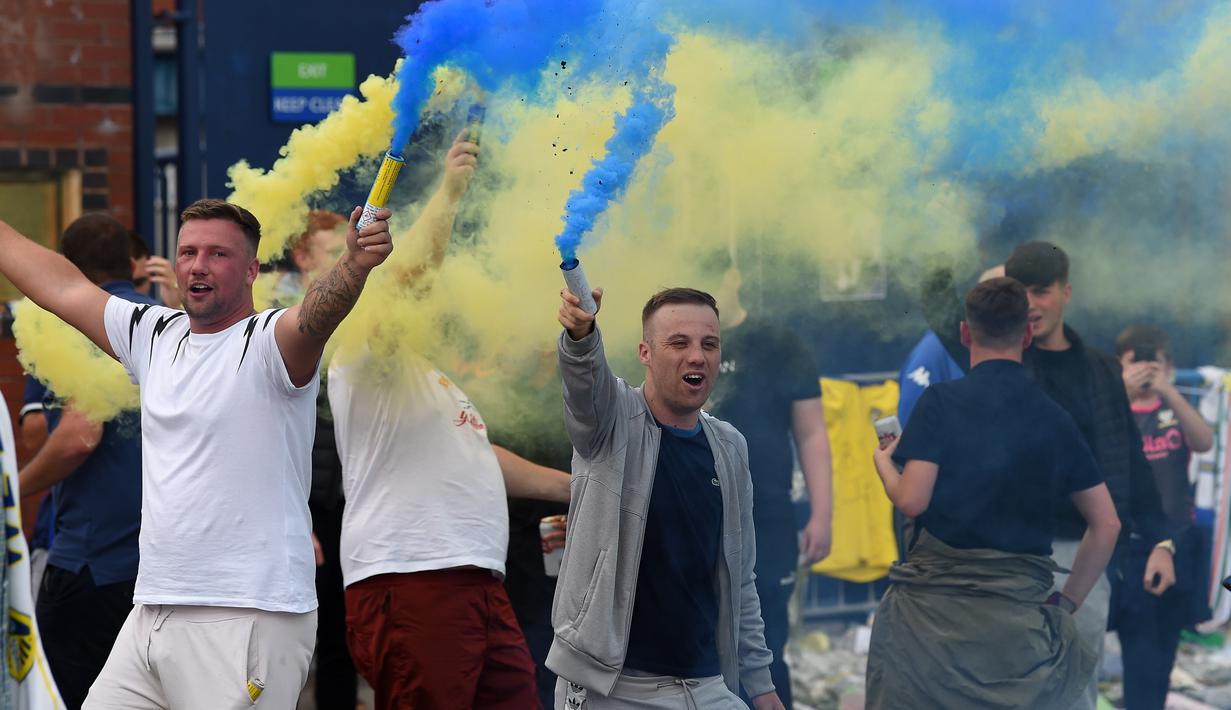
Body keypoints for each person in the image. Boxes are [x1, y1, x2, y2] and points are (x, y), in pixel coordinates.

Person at [0, 194, 393, 708]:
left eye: (218, 254)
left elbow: (317, 316)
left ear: (252, 269)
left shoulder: (269, 341)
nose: (197, 266)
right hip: (151, 612)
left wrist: (356, 264)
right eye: (188, 252)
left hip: (251, 615)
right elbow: (62, 286)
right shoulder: (154, 334)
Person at [329, 129, 571, 709]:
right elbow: (410, 280)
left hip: (476, 584)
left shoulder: (437, 382)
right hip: (413, 578)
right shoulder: (366, 355)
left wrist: (578, 486)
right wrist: (451, 192)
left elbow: (479, 458)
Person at [923, 242, 1172, 709]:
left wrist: (1161, 540)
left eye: (1042, 292)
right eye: (1021, 293)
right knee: (1000, 688)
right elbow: (935, 305)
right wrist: (950, 236)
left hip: (1087, 552)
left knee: (1076, 687)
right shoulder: (1001, 358)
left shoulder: (1100, 368)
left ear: (1066, 292)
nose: (1032, 304)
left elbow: (1130, 456)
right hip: (1006, 556)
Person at [867, 277, 1120, 709]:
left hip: (932, 630)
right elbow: (1107, 522)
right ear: (1026, 333)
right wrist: (1068, 600)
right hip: (1018, 631)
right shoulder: (1052, 417)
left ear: (966, 332)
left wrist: (884, 465)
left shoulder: (940, 403)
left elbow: (912, 500)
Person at [550, 285, 784, 709]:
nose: (697, 356)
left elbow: (741, 576)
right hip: (613, 688)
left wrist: (761, 683)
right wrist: (582, 335)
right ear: (645, 353)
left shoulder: (729, 446)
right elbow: (584, 384)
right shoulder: (612, 421)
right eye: (678, 343)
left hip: (708, 686)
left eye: (708, 344)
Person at [14, 214, 157, 709]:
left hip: (96, 566)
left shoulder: (87, 327)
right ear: (129, 261)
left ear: (70, 270)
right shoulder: (166, 324)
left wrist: (15, 487)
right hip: (163, 569)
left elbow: (77, 436)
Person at [710, 266, 832, 709]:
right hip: (698, 517)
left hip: (768, 518)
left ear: (735, 274)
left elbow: (812, 433)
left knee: (767, 641)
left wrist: (822, 512)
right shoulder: (682, 344)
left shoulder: (779, 343)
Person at [1110, 325, 1214, 710]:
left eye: (1154, 361)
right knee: (1127, 650)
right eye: (1135, 361)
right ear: (1119, 365)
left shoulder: (1174, 406)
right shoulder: (1112, 409)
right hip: (1127, 547)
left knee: (1158, 657)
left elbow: (1204, 441)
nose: (1145, 369)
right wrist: (1121, 390)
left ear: (1168, 364)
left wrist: (1167, 389)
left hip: (1175, 544)